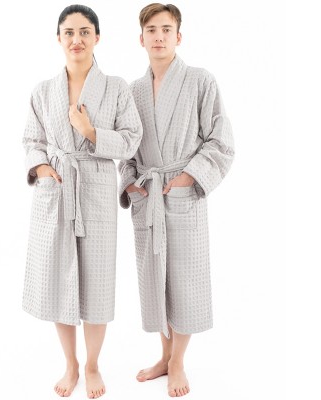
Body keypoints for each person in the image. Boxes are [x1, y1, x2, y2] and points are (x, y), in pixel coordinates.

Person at [22, 5, 142, 399]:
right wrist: (41, 168)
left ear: (97, 37)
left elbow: (131, 140)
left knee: (97, 281)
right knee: (60, 278)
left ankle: (92, 365)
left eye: (85, 32)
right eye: (69, 32)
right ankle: (70, 364)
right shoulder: (43, 91)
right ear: (58, 38)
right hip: (57, 189)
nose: (77, 39)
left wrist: (91, 132)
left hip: (96, 188)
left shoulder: (117, 88)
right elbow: (31, 140)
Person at [118, 3, 234, 397]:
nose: (159, 36)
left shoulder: (201, 80)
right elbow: (127, 148)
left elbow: (221, 141)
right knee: (155, 279)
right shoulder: (132, 91)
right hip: (149, 196)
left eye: (166, 29)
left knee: (185, 279)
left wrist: (189, 177)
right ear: (141, 39)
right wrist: (130, 183)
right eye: (151, 30)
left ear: (179, 36)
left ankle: (179, 361)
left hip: (183, 193)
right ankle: (164, 356)